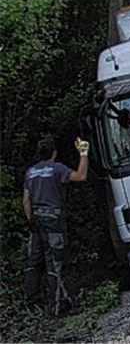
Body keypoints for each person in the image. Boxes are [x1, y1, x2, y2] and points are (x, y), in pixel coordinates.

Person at [23, 135, 88, 315]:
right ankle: (61, 305)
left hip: (36, 220)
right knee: (55, 262)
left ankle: (31, 304)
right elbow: (81, 176)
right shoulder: (56, 168)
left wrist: (31, 221)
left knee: (34, 263)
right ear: (54, 153)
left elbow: (26, 200)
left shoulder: (30, 172)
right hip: (53, 219)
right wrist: (83, 153)